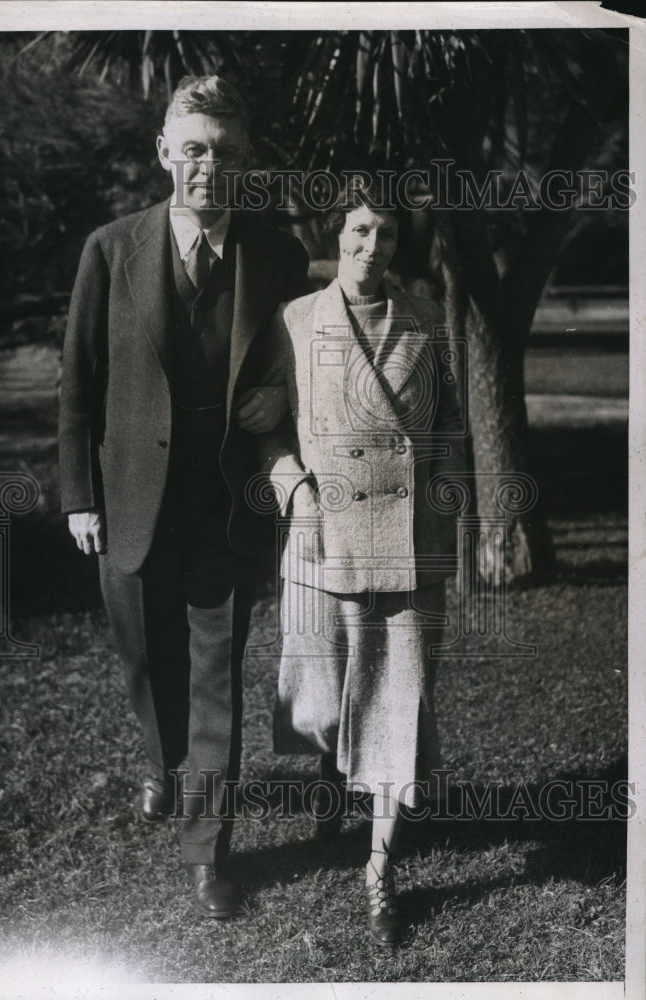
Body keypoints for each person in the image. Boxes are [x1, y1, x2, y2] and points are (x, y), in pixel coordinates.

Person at [59, 75, 308, 919]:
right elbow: (77, 385)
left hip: (227, 506)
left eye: (226, 151)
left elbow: (294, 367)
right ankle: (164, 769)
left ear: (247, 161)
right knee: (147, 664)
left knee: (215, 680)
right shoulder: (110, 248)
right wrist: (76, 497)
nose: (209, 165)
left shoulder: (276, 254)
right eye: (194, 147)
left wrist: (284, 417)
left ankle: (207, 850)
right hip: (128, 499)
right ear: (164, 151)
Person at [263, 178, 465, 945]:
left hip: (408, 537)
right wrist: (294, 491)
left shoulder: (426, 319)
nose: (369, 247)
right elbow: (266, 427)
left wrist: (451, 511)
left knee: (394, 699)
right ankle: (330, 777)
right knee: (318, 697)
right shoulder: (293, 321)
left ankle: (379, 870)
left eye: (384, 233)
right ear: (334, 232)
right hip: (323, 530)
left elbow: (447, 426)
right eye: (357, 229)